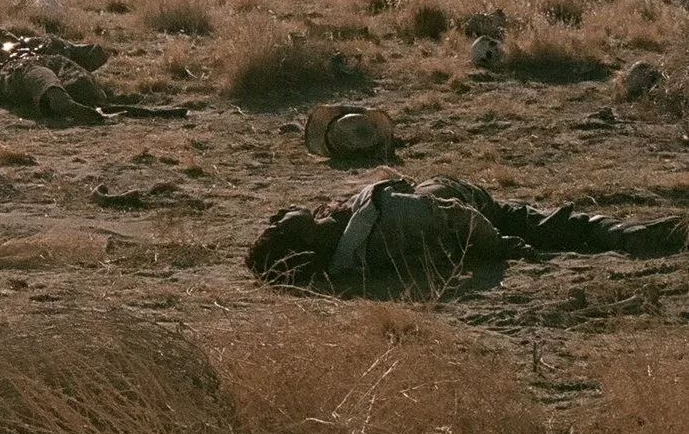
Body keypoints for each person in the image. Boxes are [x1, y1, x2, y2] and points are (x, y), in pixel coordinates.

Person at [248, 176, 685, 290]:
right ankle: (625, 234)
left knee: (540, 224)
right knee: (546, 225)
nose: (276, 217)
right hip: (464, 204)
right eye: (277, 227)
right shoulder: (381, 221)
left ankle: (620, 233)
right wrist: (506, 245)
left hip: (451, 204)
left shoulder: (347, 242)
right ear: (300, 244)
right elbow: (457, 218)